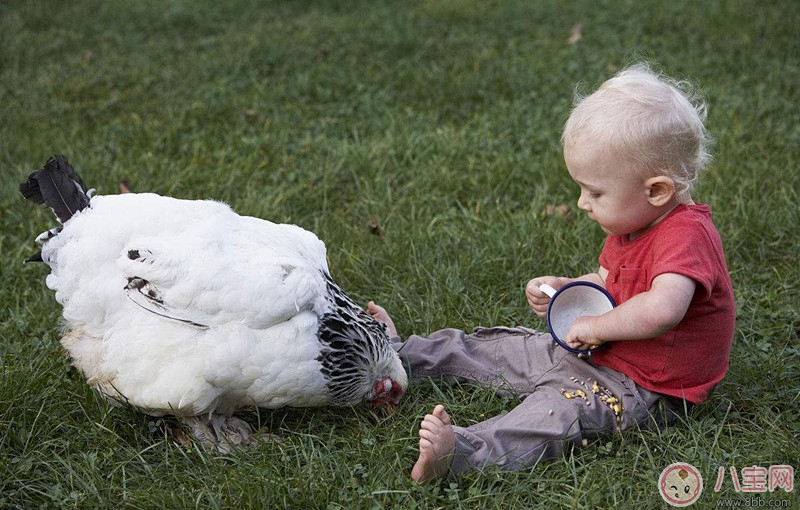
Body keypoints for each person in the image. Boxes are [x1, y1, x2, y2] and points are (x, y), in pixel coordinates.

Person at [368, 63, 736, 482]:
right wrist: (568, 290)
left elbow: (662, 309)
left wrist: (597, 325)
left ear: (657, 191)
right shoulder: (632, 222)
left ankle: (463, 454)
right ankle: (398, 356)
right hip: (597, 351)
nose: (582, 202)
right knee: (502, 347)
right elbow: (607, 281)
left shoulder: (686, 236)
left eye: (595, 192)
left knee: (557, 410)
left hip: (647, 387)